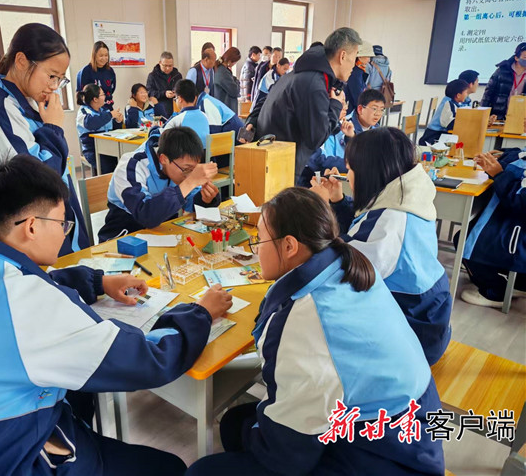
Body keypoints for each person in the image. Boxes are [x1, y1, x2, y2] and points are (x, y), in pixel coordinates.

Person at [0, 154, 234, 476]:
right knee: (167, 467)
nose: (64, 231)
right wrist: (201, 312)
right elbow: (150, 360)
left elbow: (33, 284)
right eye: (62, 223)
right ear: (31, 227)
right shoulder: (29, 303)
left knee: (77, 397)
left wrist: (99, 281)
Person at [186, 187, 444, 476]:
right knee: (235, 423)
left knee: (201, 471)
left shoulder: (305, 320)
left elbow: (287, 456)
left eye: (259, 239)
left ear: (289, 246)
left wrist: (257, 435)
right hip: (406, 429)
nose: (255, 249)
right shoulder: (346, 264)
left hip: (386, 454)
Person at [312, 127, 452, 365]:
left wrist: (319, 209)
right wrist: (337, 201)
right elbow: (363, 229)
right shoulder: (405, 196)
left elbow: (339, 267)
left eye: (350, 169)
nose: (348, 177)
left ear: (369, 173)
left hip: (413, 335)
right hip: (428, 318)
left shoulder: (392, 219)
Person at [0, 23, 90, 255]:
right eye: (51, 76)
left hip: (52, 219)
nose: (54, 86)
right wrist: (53, 127)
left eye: (60, 79)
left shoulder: (29, 101)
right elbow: (38, 180)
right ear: (21, 61)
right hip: (30, 230)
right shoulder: (0, 107)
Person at [256, 28, 360, 176]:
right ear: (342, 56)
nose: (354, 65)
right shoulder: (314, 85)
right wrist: (336, 105)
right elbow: (315, 139)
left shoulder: (301, 74)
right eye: (355, 57)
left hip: (273, 158)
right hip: (281, 166)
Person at [97, 127, 220, 242]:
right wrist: (190, 182)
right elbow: (145, 215)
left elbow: (190, 201)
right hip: (124, 236)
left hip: (163, 234)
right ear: (163, 159)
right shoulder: (131, 166)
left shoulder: (178, 166)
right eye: (186, 169)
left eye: (193, 169)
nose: (189, 174)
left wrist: (205, 199)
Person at [458, 149, 526, 308]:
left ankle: (497, 291)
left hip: (518, 232)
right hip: (513, 222)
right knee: (466, 236)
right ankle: (511, 282)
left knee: (467, 243)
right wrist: (506, 154)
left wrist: (499, 174)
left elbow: (519, 200)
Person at [297, 95, 353, 185]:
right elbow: (318, 162)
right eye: (341, 103)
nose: (346, 107)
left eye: (345, 103)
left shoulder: (343, 128)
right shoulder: (311, 129)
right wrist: (354, 164)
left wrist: (351, 137)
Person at [76, 84, 124, 173]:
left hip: (108, 146)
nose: (105, 97)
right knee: (107, 166)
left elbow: (113, 128)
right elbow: (91, 123)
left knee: (122, 160)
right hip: (92, 149)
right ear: (95, 99)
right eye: (102, 94)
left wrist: (118, 121)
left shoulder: (104, 110)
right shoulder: (83, 111)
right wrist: (110, 115)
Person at [481, 42, 526, 119]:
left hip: (519, 118)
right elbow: (488, 94)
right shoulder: (502, 71)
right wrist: (484, 114)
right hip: (498, 116)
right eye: (525, 57)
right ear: (516, 58)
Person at [418, 79, 469, 145]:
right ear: (458, 95)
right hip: (433, 137)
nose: (467, 95)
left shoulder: (452, 102)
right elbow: (451, 125)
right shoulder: (448, 104)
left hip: (438, 134)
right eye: (466, 92)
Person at [163, 79, 210, 147]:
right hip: (204, 153)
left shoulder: (177, 119)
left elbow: (163, 138)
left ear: (180, 99)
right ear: (195, 98)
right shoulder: (205, 116)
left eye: (175, 98)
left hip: (186, 153)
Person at [76, 40, 116, 110]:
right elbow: (81, 94)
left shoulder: (110, 71)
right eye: (101, 55)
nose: (104, 58)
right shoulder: (86, 71)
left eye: (106, 55)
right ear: (94, 55)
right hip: (92, 110)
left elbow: (112, 89)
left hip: (108, 108)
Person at [146, 51, 182, 116]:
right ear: (160, 63)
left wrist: (175, 92)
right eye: (165, 65)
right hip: (160, 110)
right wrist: (164, 93)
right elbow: (149, 92)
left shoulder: (177, 75)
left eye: (170, 66)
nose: (167, 68)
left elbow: (182, 90)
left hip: (176, 109)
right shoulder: (153, 76)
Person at [345, 41, 374, 113]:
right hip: (350, 111)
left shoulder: (357, 70)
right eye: (368, 56)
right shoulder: (355, 73)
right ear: (360, 56)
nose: (369, 60)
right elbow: (357, 97)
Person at [213, 47, 242, 113]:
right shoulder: (223, 72)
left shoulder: (221, 69)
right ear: (230, 61)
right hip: (226, 108)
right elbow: (234, 91)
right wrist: (237, 81)